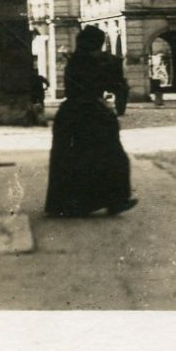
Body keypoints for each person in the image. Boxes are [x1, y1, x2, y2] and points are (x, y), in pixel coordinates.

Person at [45, 26, 136, 217]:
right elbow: (111, 84)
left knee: (73, 159)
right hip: (91, 113)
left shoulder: (76, 60)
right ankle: (114, 200)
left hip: (70, 113)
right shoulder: (95, 61)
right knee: (113, 157)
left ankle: (66, 203)